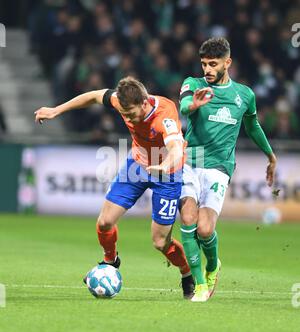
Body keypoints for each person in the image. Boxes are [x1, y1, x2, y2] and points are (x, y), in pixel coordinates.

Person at [35, 76, 195, 299]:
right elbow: (92, 96)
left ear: (144, 102)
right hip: (137, 165)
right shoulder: (120, 101)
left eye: (131, 114)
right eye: (124, 113)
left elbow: (176, 149)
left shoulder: (164, 115)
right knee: (104, 222)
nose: (127, 117)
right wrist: (56, 110)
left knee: (160, 242)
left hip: (167, 173)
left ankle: (187, 274)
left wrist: (164, 165)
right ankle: (111, 260)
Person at [179, 38, 277, 302]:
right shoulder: (193, 83)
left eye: (213, 64)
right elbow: (184, 106)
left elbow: (253, 127)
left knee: (205, 230)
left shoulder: (244, 95)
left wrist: (270, 155)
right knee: (188, 220)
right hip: (189, 161)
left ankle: (213, 267)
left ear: (227, 63)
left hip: (220, 167)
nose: (207, 69)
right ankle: (200, 285)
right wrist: (193, 106)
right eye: (204, 64)